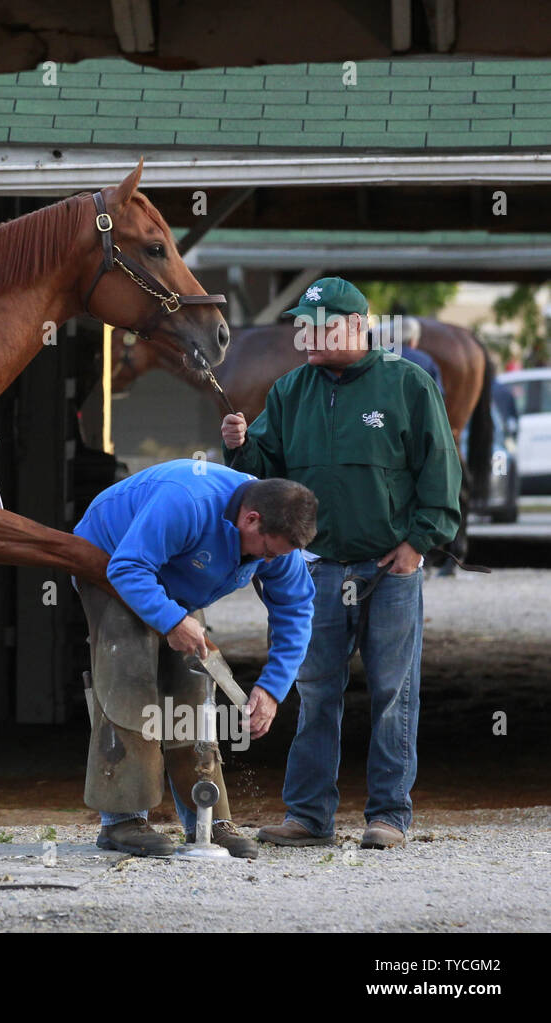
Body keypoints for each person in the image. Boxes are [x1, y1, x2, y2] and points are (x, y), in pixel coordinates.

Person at [222, 276, 461, 850]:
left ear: (358, 326)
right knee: (315, 691)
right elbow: (265, 474)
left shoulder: (408, 383)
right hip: (317, 568)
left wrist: (419, 543)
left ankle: (389, 816)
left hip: (389, 569)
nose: (308, 338)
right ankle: (308, 816)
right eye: (303, 327)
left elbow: (442, 470)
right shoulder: (288, 391)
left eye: (322, 326)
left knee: (392, 693)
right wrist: (238, 445)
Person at [72, 459, 317, 859]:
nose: (270, 562)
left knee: (193, 682)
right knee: (130, 669)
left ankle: (206, 818)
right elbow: (129, 566)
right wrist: (170, 619)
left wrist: (272, 688)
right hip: (111, 559)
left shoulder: (279, 539)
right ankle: (122, 819)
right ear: (251, 520)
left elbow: (296, 610)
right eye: (267, 552)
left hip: (173, 576)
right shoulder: (187, 501)